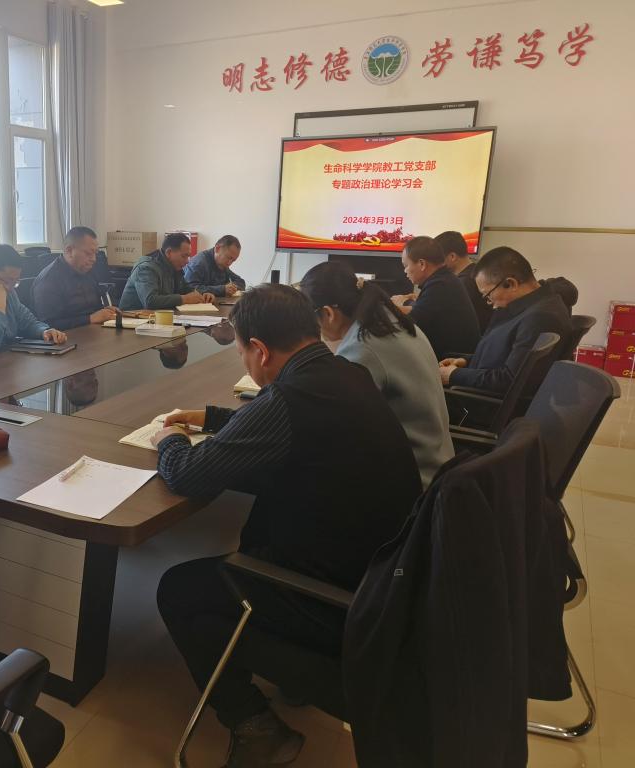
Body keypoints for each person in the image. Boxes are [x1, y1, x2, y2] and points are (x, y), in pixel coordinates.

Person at [152, 284, 421, 768]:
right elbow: (283, 430)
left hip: (332, 600)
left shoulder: (291, 398)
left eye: (241, 351)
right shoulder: (345, 372)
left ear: (259, 349)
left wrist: (168, 437)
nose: (244, 360)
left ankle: (256, 728)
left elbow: (187, 475)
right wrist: (212, 418)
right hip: (381, 579)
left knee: (178, 590)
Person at [299, 262, 453, 487]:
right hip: (438, 464)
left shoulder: (362, 349)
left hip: (412, 480)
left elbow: (336, 425)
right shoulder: (390, 321)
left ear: (329, 313)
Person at [440, 247, 571, 393]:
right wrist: (467, 362)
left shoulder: (539, 318)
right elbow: (503, 356)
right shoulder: (536, 304)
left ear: (511, 283)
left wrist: (455, 375)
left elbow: (509, 380)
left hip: (482, 401)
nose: (492, 304)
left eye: (488, 295)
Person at [390, 236, 480, 360]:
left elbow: (411, 324)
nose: (405, 271)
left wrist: (390, 307)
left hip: (451, 361)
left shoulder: (440, 285)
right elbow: (422, 312)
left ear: (422, 264)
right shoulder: (444, 279)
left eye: (406, 265)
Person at [32, 226, 117, 329]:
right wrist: (90, 319)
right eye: (88, 253)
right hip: (68, 336)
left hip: (94, 331)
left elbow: (95, 308)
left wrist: (106, 311)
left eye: (95, 253)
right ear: (69, 251)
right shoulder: (48, 280)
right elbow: (48, 325)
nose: (94, 259)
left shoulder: (87, 270)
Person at [118, 233, 216, 310]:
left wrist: (202, 295)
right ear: (169, 252)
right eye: (184, 256)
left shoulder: (174, 267)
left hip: (156, 320)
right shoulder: (146, 268)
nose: (187, 261)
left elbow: (186, 289)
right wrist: (184, 299)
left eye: (188, 256)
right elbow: (150, 301)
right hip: (131, 321)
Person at [434, 230, 493, 332]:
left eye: (438, 259)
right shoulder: (476, 272)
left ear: (452, 256)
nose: (435, 264)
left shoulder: (463, 283)